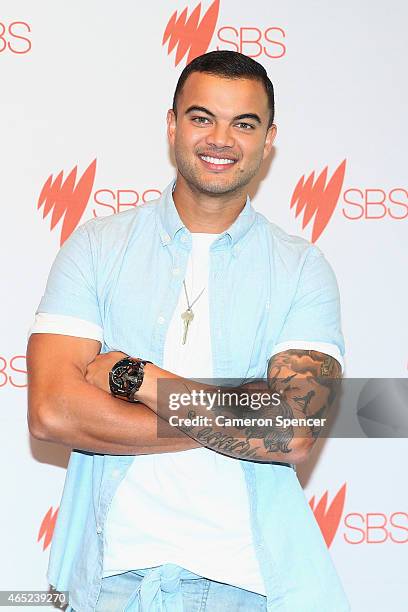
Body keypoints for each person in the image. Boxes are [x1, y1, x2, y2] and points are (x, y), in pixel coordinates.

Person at [27, 50, 350, 611]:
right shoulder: (97, 247)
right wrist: (237, 412)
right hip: (110, 581)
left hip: (248, 587)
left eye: (243, 124)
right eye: (202, 117)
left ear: (268, 139)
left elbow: (292, 433)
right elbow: (53, 410)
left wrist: (137, 378)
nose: (220, 139)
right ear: (172, 125)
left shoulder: (302, 267)